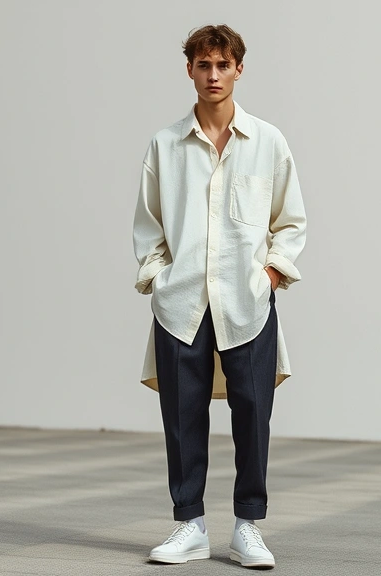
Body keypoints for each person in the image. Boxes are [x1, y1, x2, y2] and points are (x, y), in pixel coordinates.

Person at [132, 23, 307, 568]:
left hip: (247, 302)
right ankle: (190, 525)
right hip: (181, 303)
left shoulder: (269, 141)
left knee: (254, 412)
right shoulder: (164, 144)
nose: (213, 75)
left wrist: (271, 276)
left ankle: (248, 525)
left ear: (238, 69)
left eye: (222, 65)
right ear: (189, 70)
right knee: (181, 416)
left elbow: (290, 221)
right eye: (203, 65)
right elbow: (148, 226)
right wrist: (159, 278)